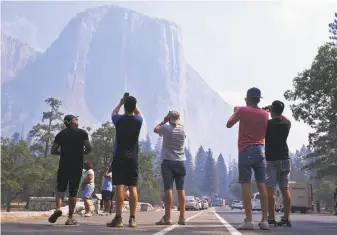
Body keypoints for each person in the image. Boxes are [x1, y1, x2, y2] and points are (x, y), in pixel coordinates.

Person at [226, 87, 269, 230]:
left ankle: (249, 220)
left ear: (248, 98)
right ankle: (264, 220)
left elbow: (229, 124)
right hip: (260, 150)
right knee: (261, 184)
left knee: (245, 184)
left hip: (245, 150)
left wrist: (236, 111)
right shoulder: (265, 114)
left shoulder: (242, 111)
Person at [48, 115, 92, 225]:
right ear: (72, 122)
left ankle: (58, 209)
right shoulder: (82, 133)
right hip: (76, 167)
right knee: (73, 193)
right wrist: (83, 152)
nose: (78, 120)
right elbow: (89, 148)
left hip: (63, 166)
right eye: (76, 119)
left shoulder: (60, 134)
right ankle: (70, 218)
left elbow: (53, 150)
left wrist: (62, 153)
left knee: (60, 189)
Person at [107, 94, 143, 228]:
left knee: (119, 187)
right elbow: (139, 113)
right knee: (133, 187)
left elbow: (114, 113)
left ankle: (118, 218)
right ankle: (132, 219)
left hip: (119, 156)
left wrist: (121, 102)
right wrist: (133, 105)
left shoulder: (118, 119)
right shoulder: (138, 121)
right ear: (134, 108)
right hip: (133, 157)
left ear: (125, 107)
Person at [154, 111, 186, 226]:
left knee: (168, 189)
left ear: (169, 118)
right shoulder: (182, 129)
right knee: (181, 189)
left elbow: (156, 129)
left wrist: (164, 121)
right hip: (181, 162)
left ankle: (168, 217)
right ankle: (182, 217)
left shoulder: (166, 128)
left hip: (168, 162)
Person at [264, 101, 292, 227]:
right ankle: (286, 218)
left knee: (270, 189)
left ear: (272, 110)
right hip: (285, 159)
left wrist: (267, 111)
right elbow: (285, 118)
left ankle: (271, 217)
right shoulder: (287, 124)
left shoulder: (267, 124)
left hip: (271, 160)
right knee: (285, 189)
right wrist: (275, 111)